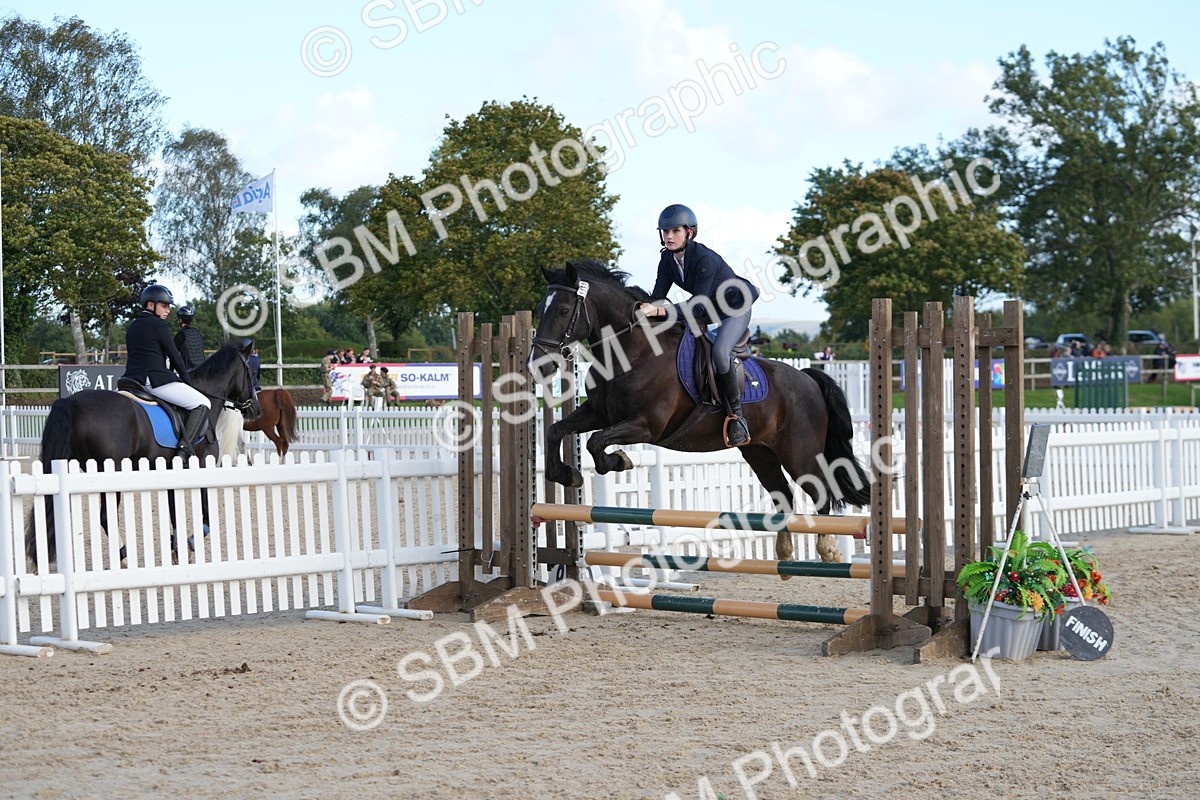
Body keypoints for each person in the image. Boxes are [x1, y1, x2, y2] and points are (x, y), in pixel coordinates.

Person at [637, 204, 760, 446]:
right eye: (665, 231)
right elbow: (658, 296)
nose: (669, 236)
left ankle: (737, 417)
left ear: (689, 233)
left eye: (675, 231)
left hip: (734, 308)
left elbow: (697, 307)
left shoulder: (704, 258)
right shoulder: (667, 259)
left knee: (720, 352)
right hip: (709, 309)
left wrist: (660, 311)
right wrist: (640, 308)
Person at [122, 285, 211, 460]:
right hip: (153, 380)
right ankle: (184, 452)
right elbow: (175, 356)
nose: (168, 310)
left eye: (168, 306)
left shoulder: (133, 325)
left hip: (130, 379)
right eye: (164, 306)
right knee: (202, 403)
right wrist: (187, 381)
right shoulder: (158, 325)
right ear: (150, 305)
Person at [173, 306, 206, 371]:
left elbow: (173, 354)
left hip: (190, 371)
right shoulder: (197, 332)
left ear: (180, 319)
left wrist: (170, 372)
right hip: (203, 368)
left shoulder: (181, 334)